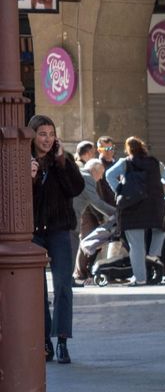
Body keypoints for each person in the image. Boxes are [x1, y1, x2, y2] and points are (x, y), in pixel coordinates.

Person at [29, 116, 84, 363]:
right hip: (33, 234)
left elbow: (76, 188)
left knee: (63, 285)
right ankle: (44, 342)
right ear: (32, 135)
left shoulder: (62, 160)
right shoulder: (23, 161)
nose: (47, 139)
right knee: (36, 290)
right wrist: (28, 178)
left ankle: (61, 340)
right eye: (42, 133)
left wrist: (63, 162)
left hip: (60, 230)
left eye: (51, 133)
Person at [104, 137, 165, 285]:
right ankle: (153, 255)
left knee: (136, 245)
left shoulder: (125, 163)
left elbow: (108, 175)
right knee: (160, 229)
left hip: (132, 206)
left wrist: (120, 189)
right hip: (154, 205)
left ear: (128, 149)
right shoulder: (155, 162)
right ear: (143, 147)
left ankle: (140, 278)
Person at [72, 141, 115, 284]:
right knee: (72, 246)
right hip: (73, 217)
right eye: (101, 174)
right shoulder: (88, 178)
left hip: (73, 216)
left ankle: (73, 277)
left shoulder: (83, 174)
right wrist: (116, 213)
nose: (101, 178)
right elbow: (96, 203)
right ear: (95, 171)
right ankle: (74, 276)